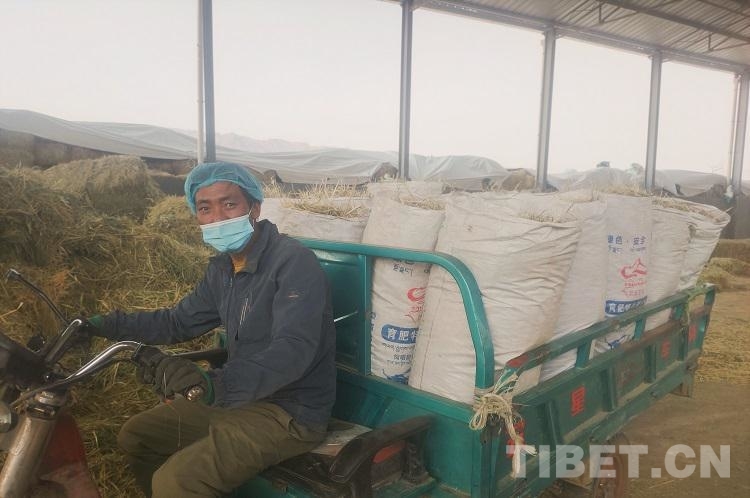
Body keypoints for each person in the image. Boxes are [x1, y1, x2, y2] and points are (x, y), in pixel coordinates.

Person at [86, 161, 337, 497]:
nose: (218, 218)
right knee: (137, 435)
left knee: (176, 482)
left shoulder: (292, 262)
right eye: (205, 208)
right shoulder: (222, 269)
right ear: (196, 216)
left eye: (229, 204)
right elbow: (177, 322)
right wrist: (107, 325)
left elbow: (293, 349)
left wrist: (215, 384)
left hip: (290, 412)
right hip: (241, 399)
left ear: (254, 208)